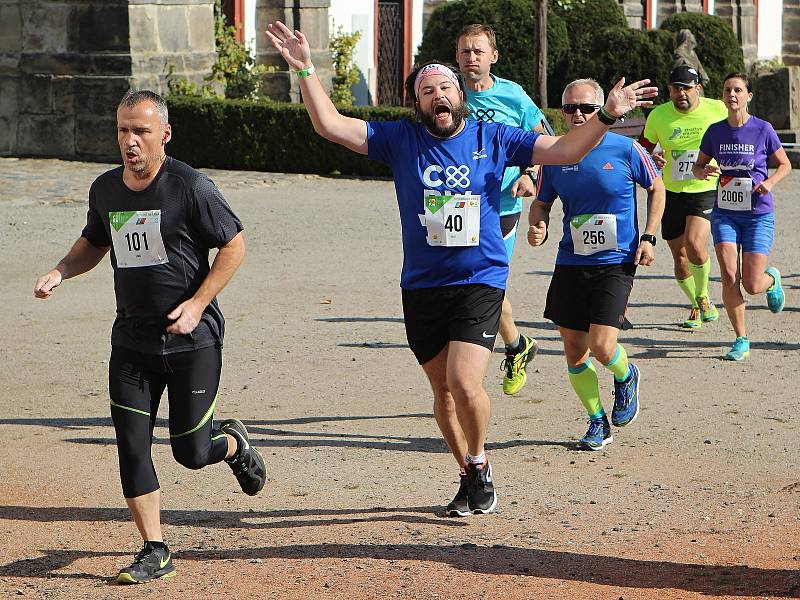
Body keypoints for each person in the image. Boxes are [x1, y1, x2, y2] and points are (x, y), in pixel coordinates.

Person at [266, 20, 656, 514]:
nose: (438, 95)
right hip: (423, 284)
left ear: (460, 95)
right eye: (427, 90)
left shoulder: (494, 136)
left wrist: (604, 116)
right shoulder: (400, 139)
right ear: (418, 103)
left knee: (464, 380)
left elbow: (563, 150)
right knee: (441, 389)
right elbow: (330, 125)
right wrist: (304, 69)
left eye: (445, 86)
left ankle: (479, 455)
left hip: (480, 278)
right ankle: (471, 471)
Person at [33, 90, 267, 583]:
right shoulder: (106, 190)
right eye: (122, 130)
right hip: (132, 344)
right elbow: (94, 243)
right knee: (132, 447)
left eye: (140, 131)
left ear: (164, 134)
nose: (130, 141)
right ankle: (154, 547)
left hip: (192, 342)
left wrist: (198, 303)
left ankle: (233, 445)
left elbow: (234, 246)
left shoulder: (190, 187)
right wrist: (61, 270)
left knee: (191, 451)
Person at [529, 79, 665, 450]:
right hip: (571, 260)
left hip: (616, 260)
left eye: (586, 108)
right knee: (574, 348)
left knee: (604, 346)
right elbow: (542, 201)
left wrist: (649, 236)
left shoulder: (626, 149)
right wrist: (536, 221)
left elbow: (657, 186)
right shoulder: (556, 155)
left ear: (601, 109)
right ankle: (596, 420)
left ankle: (626, 373)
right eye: (570, 108)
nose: (578, 115)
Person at [455, 23, 548, 395]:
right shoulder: (448, 92)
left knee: (486, 284)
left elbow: (541, 137)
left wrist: (530, 173)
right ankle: (516, 345)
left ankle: (471, 373)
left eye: (478, 51)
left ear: (493, 57)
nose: (470, 57)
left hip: (500, 204)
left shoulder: (513, 96)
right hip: (453, 204)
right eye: (464, 51)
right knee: (462, 282)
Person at [692, 72, 791, 360]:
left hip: (758, 213)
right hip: (725, 213)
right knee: (728, 275)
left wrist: (769, 183)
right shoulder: (714, 131)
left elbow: (784, 165)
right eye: (727, 90)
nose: (732, 95)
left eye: (737, 90)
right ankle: (741, 338)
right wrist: (705, 171)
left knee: (752, 283)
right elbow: (699, 167)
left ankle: (771, 279)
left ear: (748, 96)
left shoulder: (763, 129)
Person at [639, 65, 727, 329]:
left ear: (698, 88)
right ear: (669, 90)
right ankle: (695, 304)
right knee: (679, 257)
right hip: (671, 192)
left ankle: (703, 296)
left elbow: (737, 135)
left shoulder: (717, 109)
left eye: (687, 88)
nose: (682, 94)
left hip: (705, 187)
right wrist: (652, 157)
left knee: (694, 243)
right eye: (676, 88)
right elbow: (642, 149)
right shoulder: (659, 115)